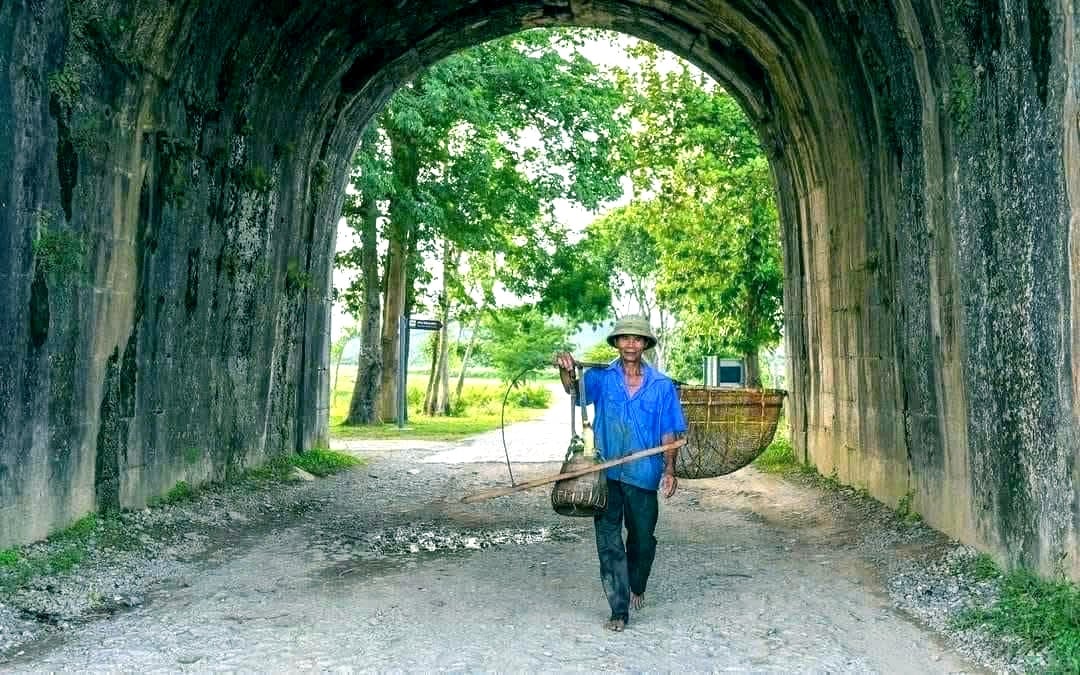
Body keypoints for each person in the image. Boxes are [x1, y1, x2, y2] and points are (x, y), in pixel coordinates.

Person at [555, 315, 687, 632]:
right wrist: (566, 370)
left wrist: (669, 469)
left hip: (644, 473)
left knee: (642, 540)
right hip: (606, 474)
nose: (630, 344)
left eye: (637, 339)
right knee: (609, 542)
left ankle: (637, 583)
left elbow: (669, 432)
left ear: (645, 345)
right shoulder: (601, 378)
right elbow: (574, 390)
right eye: (624, 338)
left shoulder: (662, 386)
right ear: (616, 343)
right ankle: (619, 608)